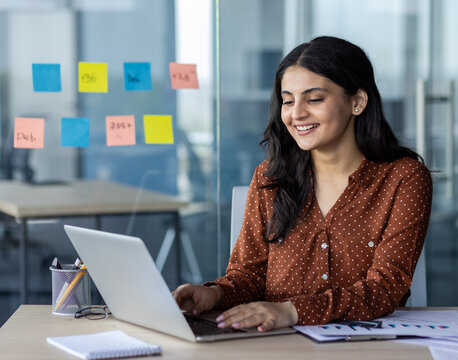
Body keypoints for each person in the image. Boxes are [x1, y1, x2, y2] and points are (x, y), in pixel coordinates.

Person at [173, 36, 432, 333]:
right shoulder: (269, 177)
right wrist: (214, 293)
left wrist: (292, 311)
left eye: (314, 99)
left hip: (366, 345)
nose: (296, 114)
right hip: (274, 341)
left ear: (357, 102)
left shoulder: (404, 178)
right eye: (288, 100)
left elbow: (385, 288)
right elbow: (249, 275)